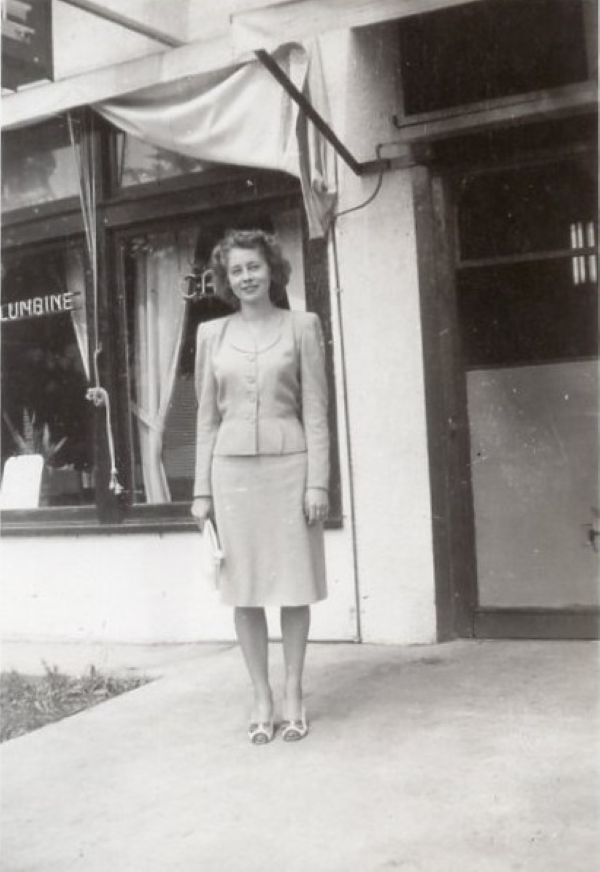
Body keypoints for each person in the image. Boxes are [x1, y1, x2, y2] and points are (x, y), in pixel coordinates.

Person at [191, 229, 330, 745]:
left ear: (272, 269)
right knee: (244, 590)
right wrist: (201, 492)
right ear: (225, 280)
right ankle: (261, 696)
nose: (246, 277)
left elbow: (316, 410)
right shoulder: (211, 334)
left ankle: (293, 692)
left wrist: (318, 483)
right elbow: (206, 419)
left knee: (294, 583)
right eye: (236, 270)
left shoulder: (302, 326)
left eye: (253, 266)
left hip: (290, 470)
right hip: (231, 477)